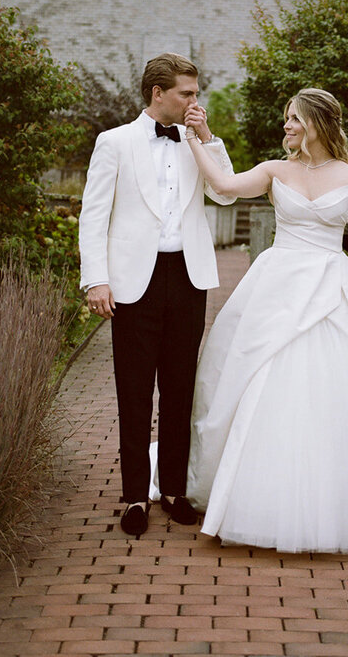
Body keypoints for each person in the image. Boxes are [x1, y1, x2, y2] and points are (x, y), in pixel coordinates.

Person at [181, 88, 348, 553]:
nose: (286, 126)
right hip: (278, 285)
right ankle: (257, 494)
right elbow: (226, 188)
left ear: (315, 122)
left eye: (293, 119)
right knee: (261, 381)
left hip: (333, 287)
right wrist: (198, 138)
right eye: (286, 118)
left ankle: (334, 498)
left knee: (335, 388)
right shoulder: (275, 171)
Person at [78, 53, 235, 536]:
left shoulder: (196, 142)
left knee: (180, 387)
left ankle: (172, 490)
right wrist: (96, 279)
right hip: (132, 282)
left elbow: (226, 193)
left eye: (195, 93)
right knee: (134, 390)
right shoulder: (114, 143)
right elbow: (93, 215)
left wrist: (207, 140)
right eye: (186, 94)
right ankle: (133, 497)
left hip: (187, 277)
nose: (195, 102)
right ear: (157, 94)